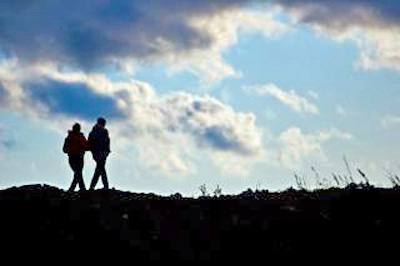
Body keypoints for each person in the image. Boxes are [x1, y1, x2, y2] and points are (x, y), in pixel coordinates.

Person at [63, 123, 89, 192]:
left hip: (75, 158)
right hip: (76, 158)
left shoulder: (70, 137)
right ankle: (77, 189)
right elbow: (86, 146)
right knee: (78, 173)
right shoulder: (76, 137)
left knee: (78, 173)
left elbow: (64, 149)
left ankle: (79, 189)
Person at [88, 117, 110, 190]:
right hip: (98, 154)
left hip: (103, 154)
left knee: (99, 169)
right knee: (100, 169)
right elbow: (90, 143)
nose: (103, 125)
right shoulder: (94, 132)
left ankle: (93, 186)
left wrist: (107, 151)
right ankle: (104, 186)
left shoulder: (104, 132)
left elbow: (107, 142)